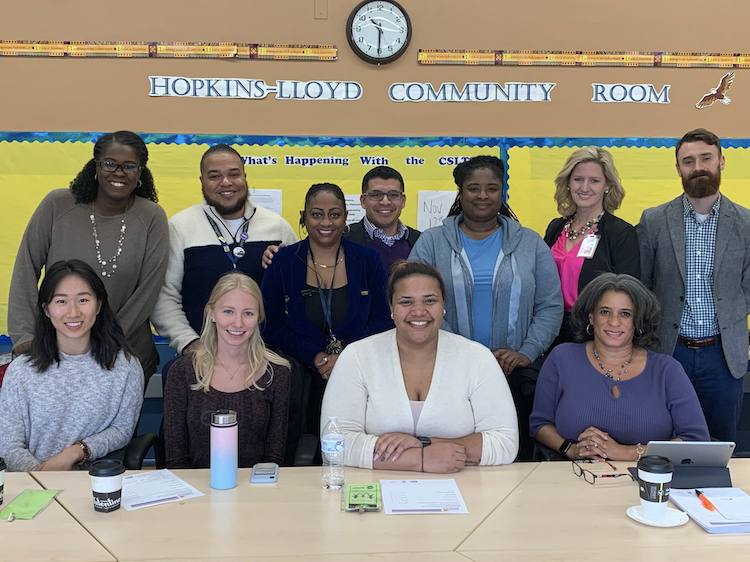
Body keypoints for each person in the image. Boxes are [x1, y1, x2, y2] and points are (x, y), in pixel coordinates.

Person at [408, 155, 563, 460]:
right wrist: (462, 352)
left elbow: (550, 305)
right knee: (451, 453)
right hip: (447, 369)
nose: (483, 196)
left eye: (492, 188)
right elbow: (415, 306)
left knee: (509, 455)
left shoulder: (530, 243)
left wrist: (526, 352)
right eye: (473, 188)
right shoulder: (431, 243)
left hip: (514, 371)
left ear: (502, 192)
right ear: (460, 192)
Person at [320, 261, 519, 472]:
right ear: (391, 308)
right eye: (406, 302)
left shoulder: (478, 357)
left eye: (429, 300)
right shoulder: (357, 356)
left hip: (464, 489)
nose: (418, 311)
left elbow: (504, 442)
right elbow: (335, 442)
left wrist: (425, 443)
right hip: (374, 490)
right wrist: (421, 459)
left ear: (443, 306)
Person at [8, 131, 168, 386]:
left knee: (120, 428)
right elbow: (25, 269)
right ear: (95, 166)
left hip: (124, 355)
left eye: (129, 166)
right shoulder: (57, 204)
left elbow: (148, 290)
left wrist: (103, 342)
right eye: (109, 163)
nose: (118, 172)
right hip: (56, 353)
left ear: (140, 172)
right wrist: (24, 336)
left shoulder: (152, 217)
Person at [638, 128, 750, 443]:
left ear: (722, 162)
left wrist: (731, 312)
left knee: (719, 443)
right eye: (688, 161)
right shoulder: (654, 220)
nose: (697, 167)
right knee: (664, 440)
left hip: (723, 356)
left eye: (705, 158)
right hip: (669, 351)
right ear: (678, 169)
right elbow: (642, 286)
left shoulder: (746, 223)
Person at [530, 273, 710, 462]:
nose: (614, 322)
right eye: (605, 312)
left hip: (649, 482)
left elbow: (695, 439)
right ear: (591, 317)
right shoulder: (561, 358)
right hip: (574, 478)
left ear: (638, 321)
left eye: (625, 313)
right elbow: (540, 424)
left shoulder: (667, 370)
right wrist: (572, 449)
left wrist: (625, 452)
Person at [261, 183, 392, 436]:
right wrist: (316, 356)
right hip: (299, 381)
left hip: (360, 379)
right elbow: (270, 326)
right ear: (303, 216)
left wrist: (343, 357)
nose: (326, 222)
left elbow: (383, 322)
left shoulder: (368, 260)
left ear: (346, 217)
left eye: (334, 214)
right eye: (317, 213)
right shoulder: (283, 261)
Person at [152, 144, 297, 358]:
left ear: (245, 177)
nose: (226, 182)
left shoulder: (278, 228)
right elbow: (164, 296)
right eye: (215, 176)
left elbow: (297, 295)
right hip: (202, 361)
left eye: (234, 174)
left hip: (267, 359)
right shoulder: (180, 228)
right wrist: (190, 343)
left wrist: (284, 266)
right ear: (202, 181)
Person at [0, 260, 144, 472]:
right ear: (46, 310)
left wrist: (78, 451)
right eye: (61, 302)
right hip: (31, 486)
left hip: (96, 485)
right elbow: (9, 445)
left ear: (99, 305)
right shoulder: (21, 370)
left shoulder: (126, 366)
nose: (73, 312)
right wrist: (41, 478)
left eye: (83, 300)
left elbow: (122, 429)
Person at [163, 272, 291, 469]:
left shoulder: (277, 374)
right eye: (228, 311)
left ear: (259, 317)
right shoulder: (182, 372)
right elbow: (175, 459)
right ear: (211, 313)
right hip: (195, 491)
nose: (238, 323)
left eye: (248, 313)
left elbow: (275, 457)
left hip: (257, 490)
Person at [544, 147, 639, 347]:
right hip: (549, 329)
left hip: (592, 334)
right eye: (578, 179)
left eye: (594, 180)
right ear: (568, 183)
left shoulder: (620, 233)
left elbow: (629, 293)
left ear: (607, 186)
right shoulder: (556, 228)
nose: (584, 187)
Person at [344, 166, 421, 272]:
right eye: (376, 195)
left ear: (403, 201)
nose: (385, 202)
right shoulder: (343, 240)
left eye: (393, 195)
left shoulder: (421, 241)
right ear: (362, 201)